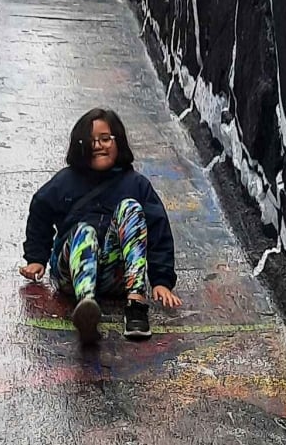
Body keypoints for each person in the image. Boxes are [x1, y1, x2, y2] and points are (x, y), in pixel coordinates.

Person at [19, 107, 181, 344]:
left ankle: (136, 304)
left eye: (105, 139)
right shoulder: (65, 181)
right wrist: (36, 258)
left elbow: (158, 230)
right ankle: (86, 309)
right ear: (79, 145)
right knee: (85, 231)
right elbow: (40, 211)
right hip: (73, 276)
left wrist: (161, 280)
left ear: (119, 142)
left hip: (116, 274)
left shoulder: (136, 184)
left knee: (131, 208)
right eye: (90, 140)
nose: (98, 146)